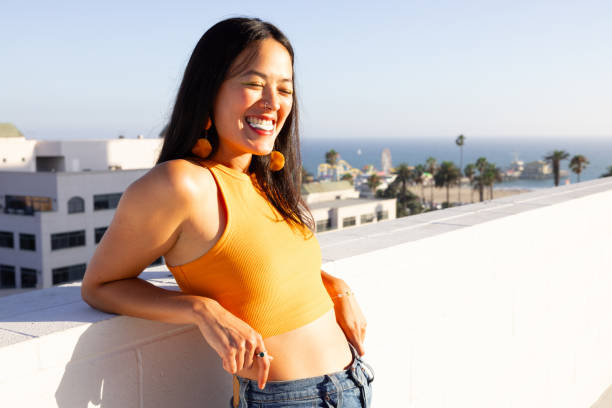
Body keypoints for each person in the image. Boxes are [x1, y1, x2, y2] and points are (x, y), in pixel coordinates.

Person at [81, 17, 374, 407]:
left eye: (284, 89)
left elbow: (267, 266)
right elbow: (100, 286)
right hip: (285, 399)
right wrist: (202, 310)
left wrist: (335, 286)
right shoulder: (181, 184)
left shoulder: (264, 177)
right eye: (254, 84)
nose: (273, 103)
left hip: (354, 382)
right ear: (209, 90)